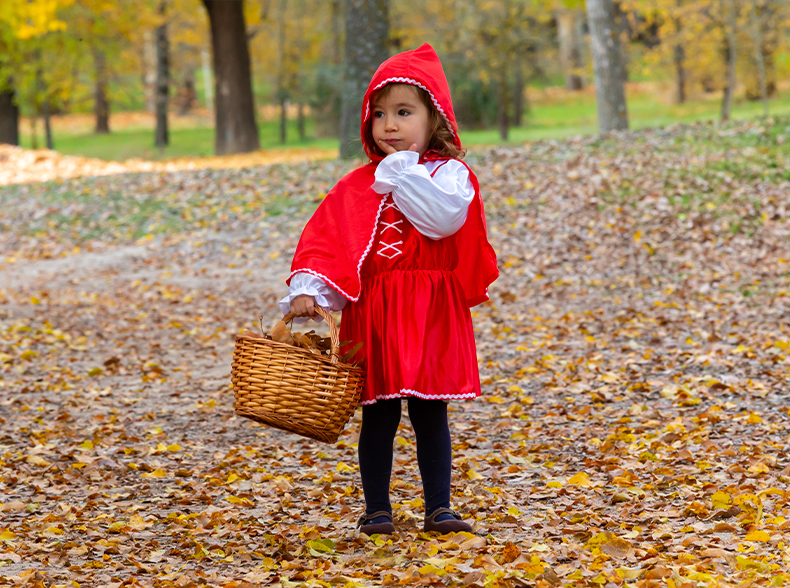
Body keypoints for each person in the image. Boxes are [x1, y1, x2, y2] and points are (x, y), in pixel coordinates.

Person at [280, 43, 498, 535]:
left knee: (429, 412)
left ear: (435, 119)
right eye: (379, 114)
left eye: (404, 112)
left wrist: (401, 173)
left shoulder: (448, 175)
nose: (389, 125)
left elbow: (440, 221)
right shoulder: (358, 185)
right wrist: (309, 290)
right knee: (377, 415)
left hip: (429, 308)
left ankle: (438, 508)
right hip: (375, 310)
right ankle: (376, 509)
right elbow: (330, 242)